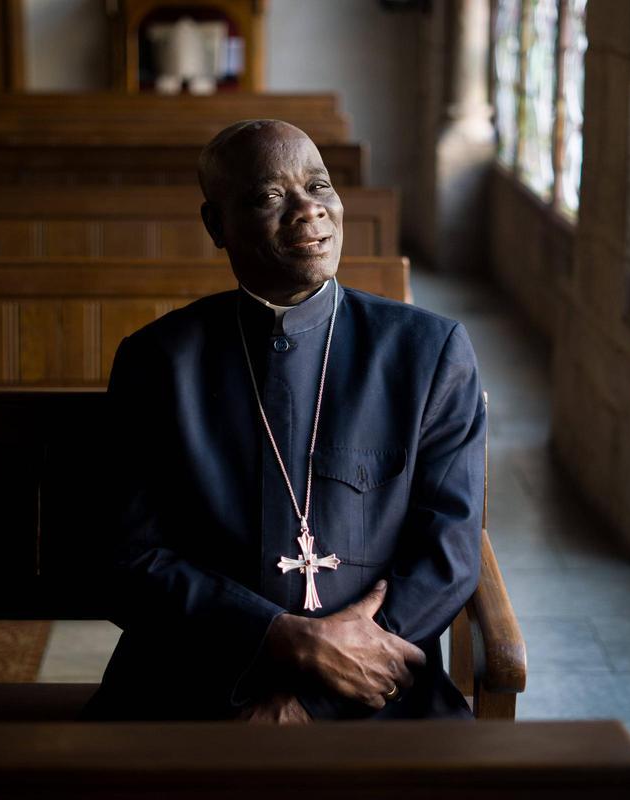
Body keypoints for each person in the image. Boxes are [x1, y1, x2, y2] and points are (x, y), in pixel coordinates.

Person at [82, 119, 485, 722]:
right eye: (270, 196)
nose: (308, 211)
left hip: (379, 684)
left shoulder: (428, 352)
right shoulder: (158, 360)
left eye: (319, 187)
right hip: (196, 673)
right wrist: (277, 638)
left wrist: (314, 694)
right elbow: (126, 559)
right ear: (216, 225)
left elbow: (449, 549)